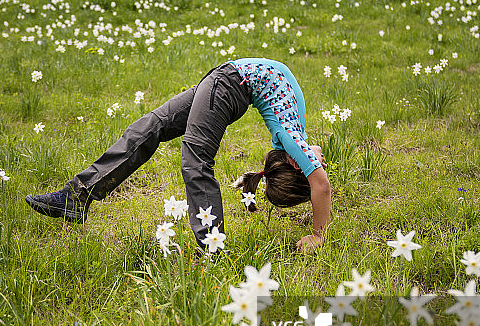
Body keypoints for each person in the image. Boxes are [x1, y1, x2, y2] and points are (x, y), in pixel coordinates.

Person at [25, 57, 330, 252]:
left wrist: (310, 158)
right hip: (225, 83)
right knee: (148, 128)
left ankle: (212, 247)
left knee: (195, 162)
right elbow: (321, 185)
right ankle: (78, 196)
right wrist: (319, 234)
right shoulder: (294, 143)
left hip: (227, 86)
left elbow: (313, 171)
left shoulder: (291, 142)